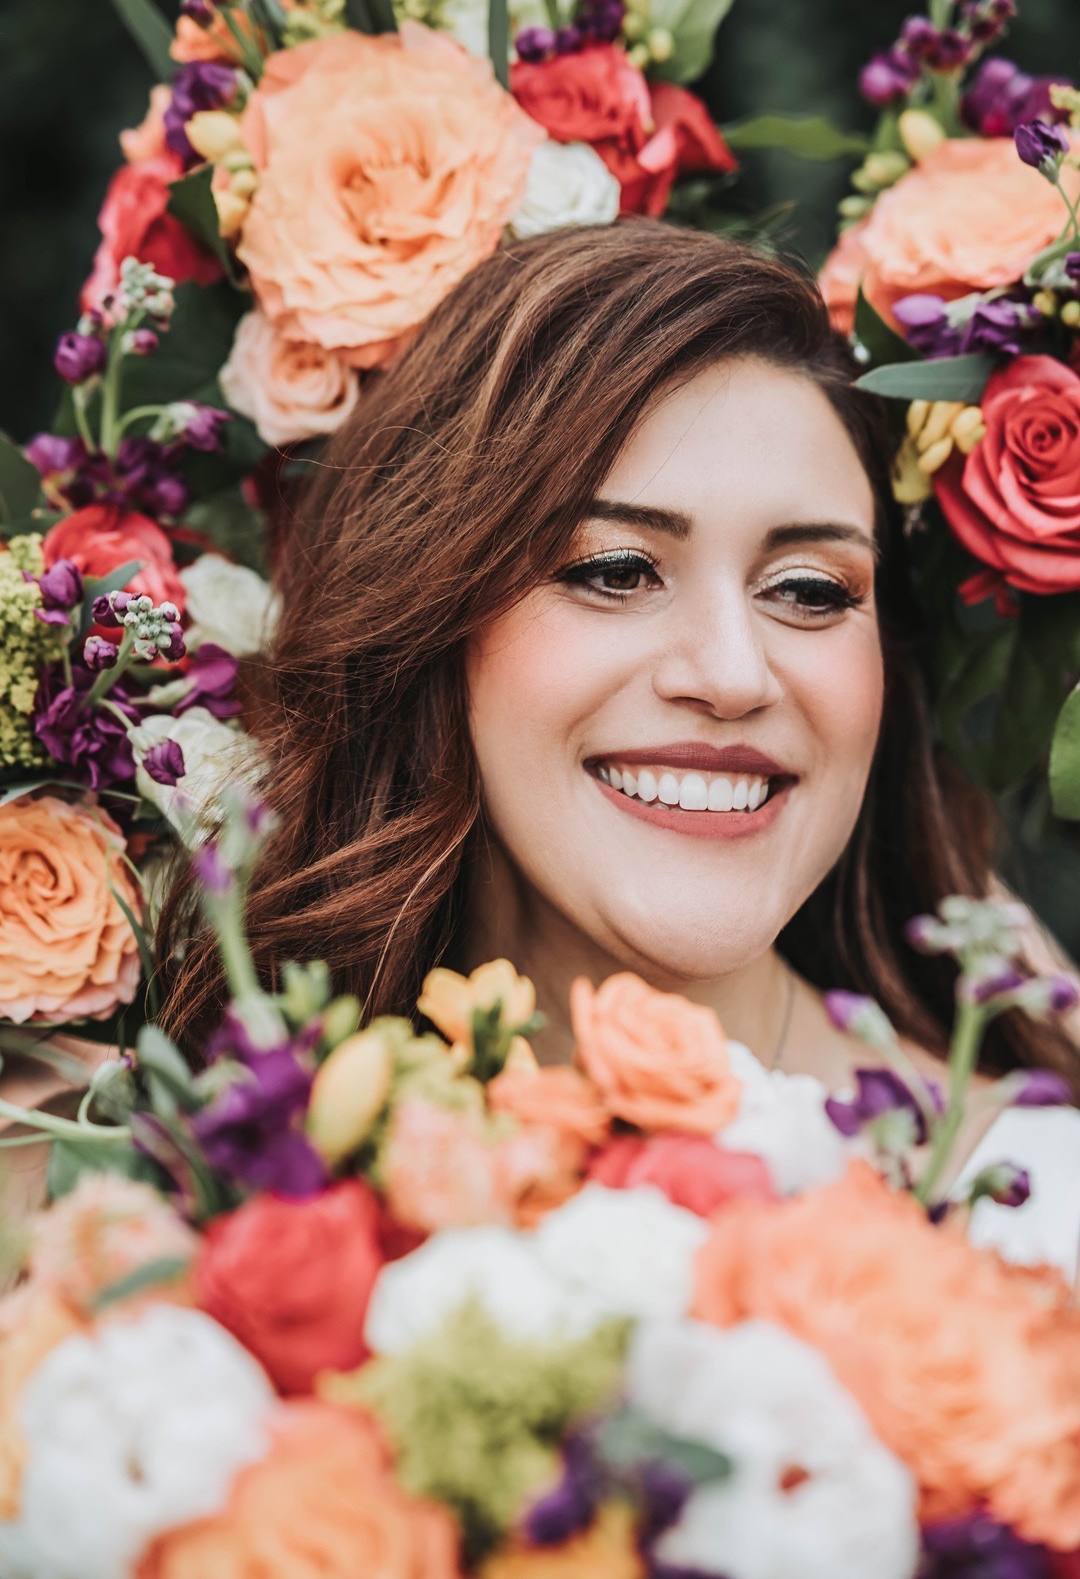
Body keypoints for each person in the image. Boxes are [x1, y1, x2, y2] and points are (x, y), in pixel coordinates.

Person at [158, 220, 1080, 1264]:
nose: (733, 675)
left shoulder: (1043, 1212)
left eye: (811, 591)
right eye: (615, 571)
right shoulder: (204, 1191)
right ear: (435, 625)